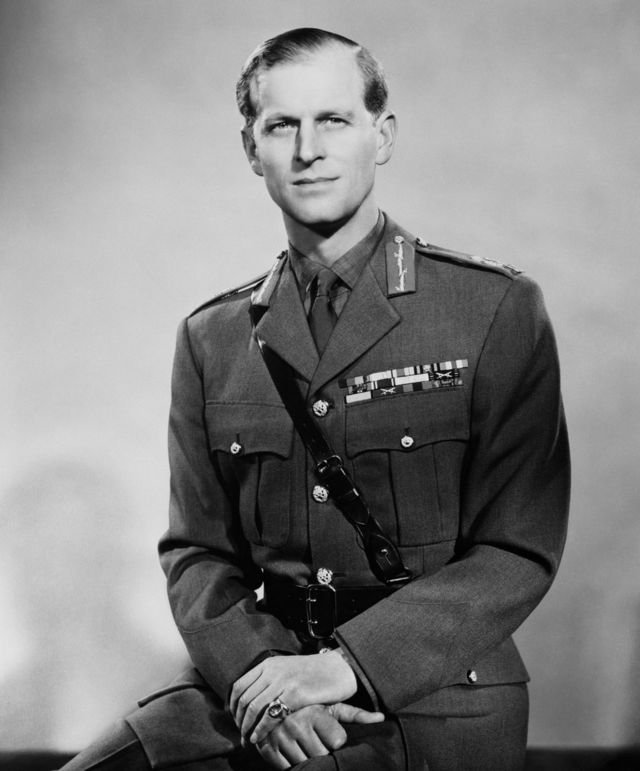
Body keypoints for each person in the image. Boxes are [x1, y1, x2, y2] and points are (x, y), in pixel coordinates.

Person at [62, 27, 570, 771]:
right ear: (252, 148)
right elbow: (197, 551)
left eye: (333, 119)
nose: (308, 149)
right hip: (262, 674)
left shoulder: (491, 309)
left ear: (381, 136)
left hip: (428, 693)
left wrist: (344, 667)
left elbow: (517, 550)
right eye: (281, 126)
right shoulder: (212, 337)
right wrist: (260, 679)